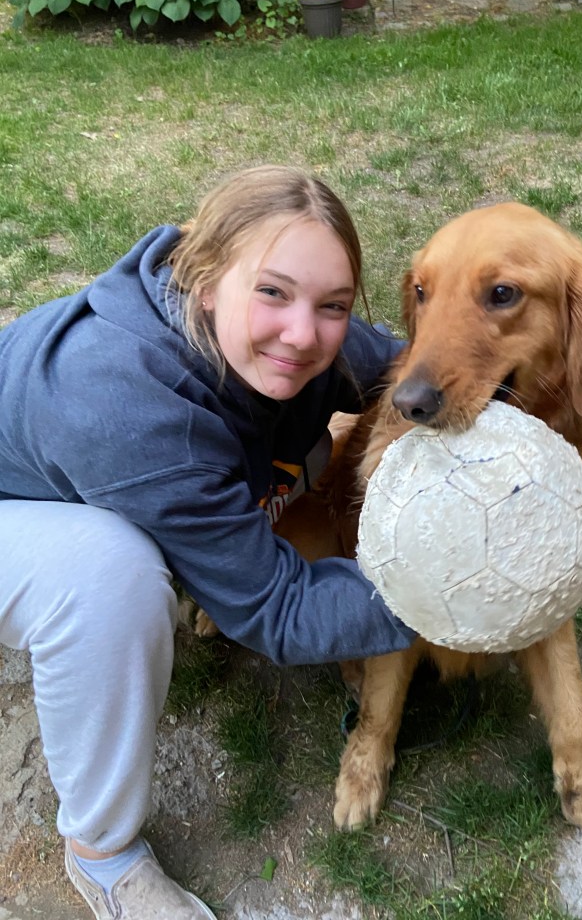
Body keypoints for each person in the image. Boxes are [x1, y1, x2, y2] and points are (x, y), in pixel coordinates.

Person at [0, 165, 416, 920]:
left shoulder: (289, 322)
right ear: (203, 279)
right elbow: (278, 609)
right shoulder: (133, 414)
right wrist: (467, 597)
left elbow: (398, 369)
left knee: (298, 438)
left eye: (334, 304)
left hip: (113, 451)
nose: (304, 332)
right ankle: (103, 854)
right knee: (108, 576)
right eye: (273, 293)